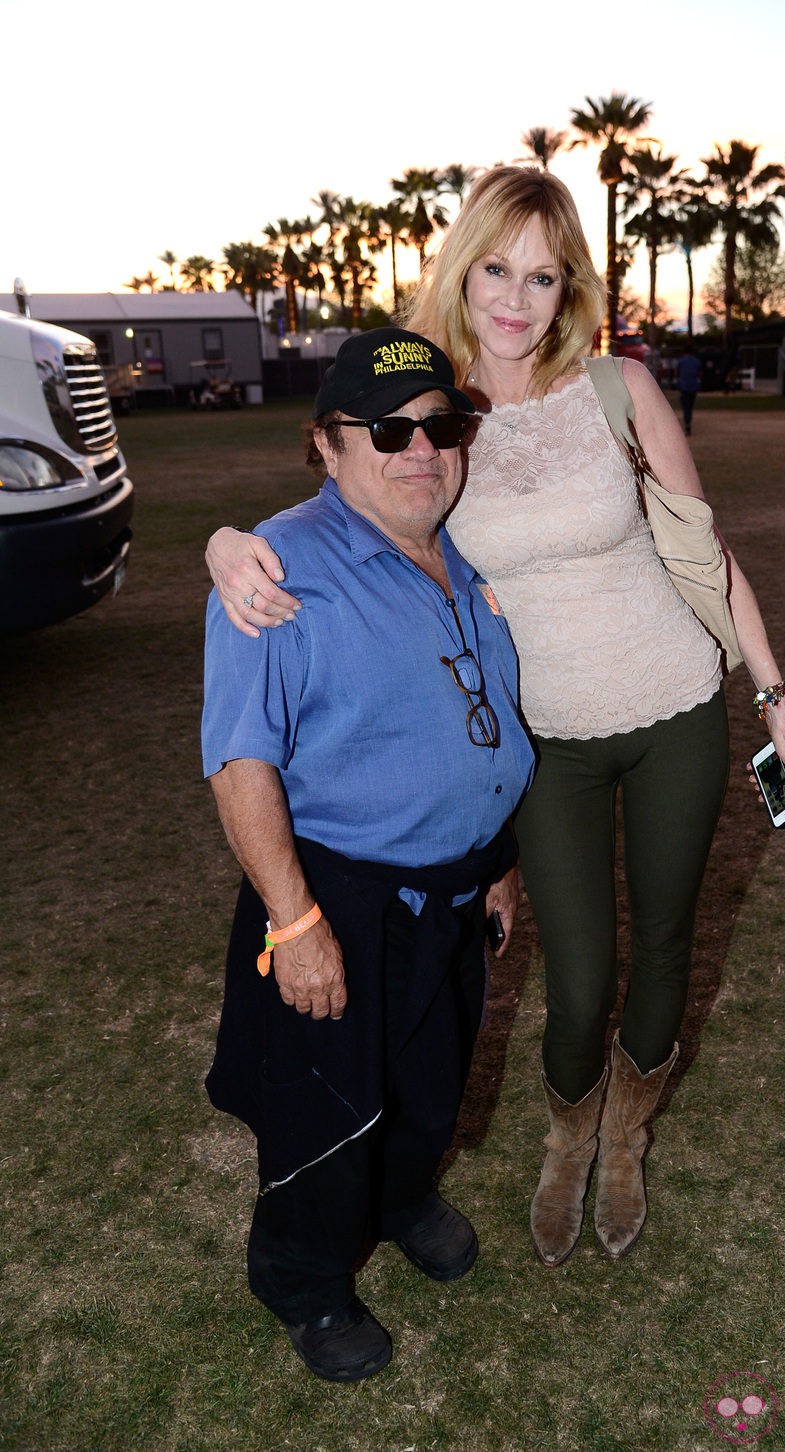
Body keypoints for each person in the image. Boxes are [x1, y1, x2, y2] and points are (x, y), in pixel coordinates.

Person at [205, 167, 785, 1271]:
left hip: (675, 707)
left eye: (541, 274)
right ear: (462, 268)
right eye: (495, 268)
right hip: (546, 747)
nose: (516, 299)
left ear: (566, 282)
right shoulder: (438, 412)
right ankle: (567, 1135)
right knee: (576, 978)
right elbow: (337, 488)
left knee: (666, 943)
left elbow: (700, 549)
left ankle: (625, 1137)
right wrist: (227, 543)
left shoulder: (620, 387)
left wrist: (768, 690)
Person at [201, 327, 536, 1382]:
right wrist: (293, 922)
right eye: (387, 429)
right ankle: (302, 1280)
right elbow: (239, 760)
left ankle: (400, 1200)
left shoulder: (461, 551)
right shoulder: (277, 566)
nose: (420, 448)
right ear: (325, 445)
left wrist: (500, 859)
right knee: (324, 1105)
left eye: (441, 425)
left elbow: (480, 722)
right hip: (335, 890)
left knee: (428, 1080)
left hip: (452, 886)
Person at [675, 346, 701, 436]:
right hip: (693, 386)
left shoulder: (681, 361)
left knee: (685, 407)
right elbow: (700, 373)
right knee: (690, 406)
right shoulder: (696, 361)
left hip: (683, 386)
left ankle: (687, 424)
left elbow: (677, 372)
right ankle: (688, 423)